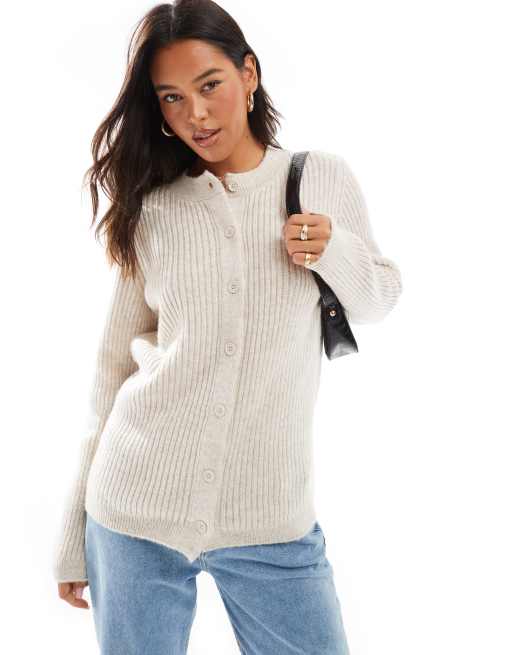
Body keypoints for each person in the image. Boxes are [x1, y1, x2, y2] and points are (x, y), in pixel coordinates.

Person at [53, 1, 403, 653]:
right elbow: (113, 372)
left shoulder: (316, 177)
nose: (196, 114)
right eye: (172, 97)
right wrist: (75, 529)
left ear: (249, 74)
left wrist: (331, 249)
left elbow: (379, 300)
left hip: (271, 519)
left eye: (209, 84)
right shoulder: (154, 209)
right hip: (134, 510)